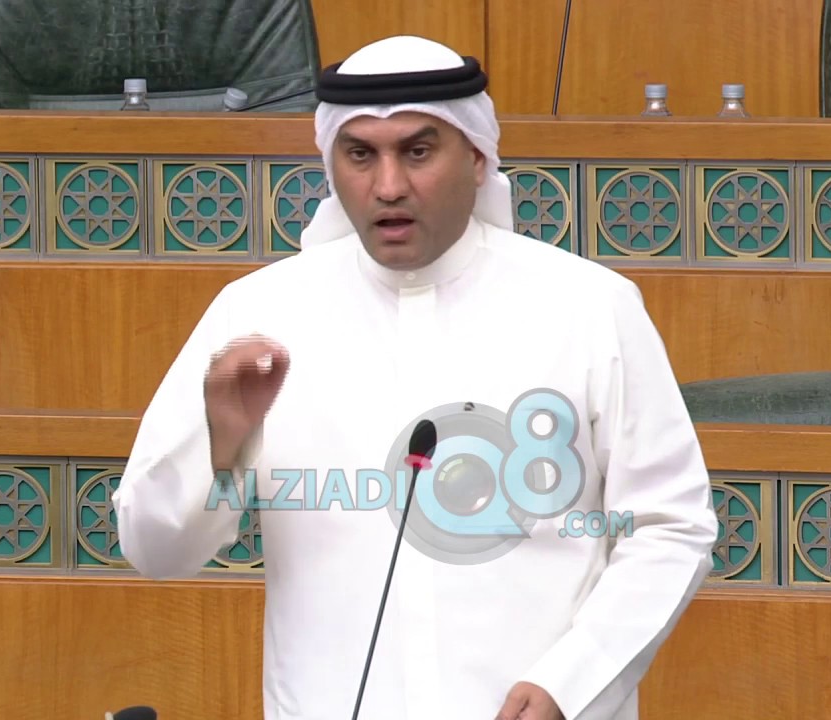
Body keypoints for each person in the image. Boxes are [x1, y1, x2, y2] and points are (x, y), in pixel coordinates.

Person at [113, 35, 718, 720]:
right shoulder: (258, 315)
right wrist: (218, 447)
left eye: (418, 151)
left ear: (478, 156)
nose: (389, 185)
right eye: (360, 155)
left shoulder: (589, 307)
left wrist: (571, 683)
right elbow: (155, 552)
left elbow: (670, 525)